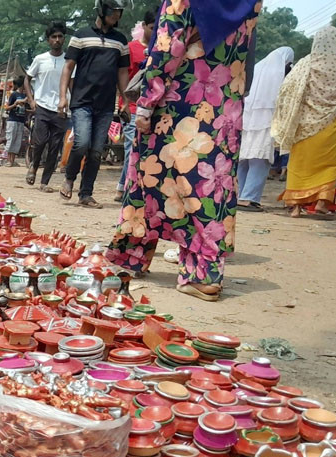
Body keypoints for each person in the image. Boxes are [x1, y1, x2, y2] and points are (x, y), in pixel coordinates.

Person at [107, 0, 260, 302]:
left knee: (149, 176)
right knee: (209, 187)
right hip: (224, 106)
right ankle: (203, 274)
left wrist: (148, 101)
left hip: (179, 101)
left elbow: (168, 46)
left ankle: (131, 254)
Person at [272, 27, 336, 218]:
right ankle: (322, 202)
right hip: (330, 126)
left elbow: (288, 90)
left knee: (299, 165)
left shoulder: (306, 64)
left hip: (304, 126)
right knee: (331, 164)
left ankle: (296, 207)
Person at [58, 0, 130, 208]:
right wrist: (63, 97)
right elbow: (68, 68)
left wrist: (125, 100)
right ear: (102, 9)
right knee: (81, 143)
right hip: (82, 101)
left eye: (119, 12)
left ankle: (86, 194)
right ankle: (70, 179)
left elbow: (122, 72)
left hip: (106, 105)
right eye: (114, 11)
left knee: (97, 150)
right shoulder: (80, 36)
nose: (117, 16)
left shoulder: (120, 40)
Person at [236, 47, 295, 212]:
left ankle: (239, 195)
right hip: (266, 121)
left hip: (247, 120)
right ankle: (249, 198)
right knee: (260, 160)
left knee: (244, 159)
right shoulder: (279, 75)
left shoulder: (258, 67)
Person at [116, 9, 157, 196]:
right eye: (151, 27)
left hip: (154, 108)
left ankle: (123, 187)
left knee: (143, 150)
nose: (156, 30)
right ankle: (126, 189)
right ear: (143, 27)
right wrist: (123, 102)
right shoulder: (131, 48)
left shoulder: (163, 49)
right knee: (131, 148)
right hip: (132, 106)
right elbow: (122, 76)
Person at [25, 23, 69, 193]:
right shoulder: (40, 59)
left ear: (64, 39)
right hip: (42, 106)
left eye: (60, 36)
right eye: (54, 37)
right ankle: (33, 167)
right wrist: (31, 100)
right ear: (48, 40)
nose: (57, 40)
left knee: (55, 146)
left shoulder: (69, 61)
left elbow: (71, 84)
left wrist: (70, 105)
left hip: (60, 109)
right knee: (41, 141)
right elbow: (27, 80)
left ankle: (45, 182)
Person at [3, 78, 27, 167]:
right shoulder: (14, 95)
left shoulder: (25, 95)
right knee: (11, 139)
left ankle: (12, 160)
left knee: (17, 141)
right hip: (12, 120)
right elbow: (7, 108)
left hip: (21, 121)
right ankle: (9, 160)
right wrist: (15, 104)